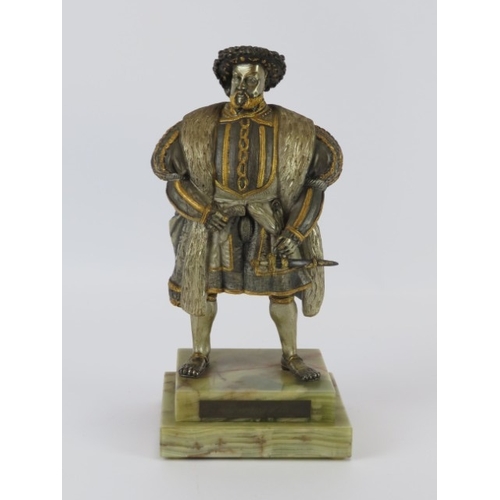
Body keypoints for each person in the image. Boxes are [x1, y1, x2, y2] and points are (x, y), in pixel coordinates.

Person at [151, 46, 342, 381]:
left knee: (282, 295)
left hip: (271, 222)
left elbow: (314, 187)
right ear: (227, 81)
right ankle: (200, 352)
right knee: (204, 290)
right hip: (214, 221)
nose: (243, 87)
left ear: (266, 82)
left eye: (252, 80)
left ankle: (291, 355)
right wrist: (203, 212)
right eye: (237, 79)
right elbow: (175, 181)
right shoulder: (195, 126)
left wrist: (295, 231)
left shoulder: (297, 130)